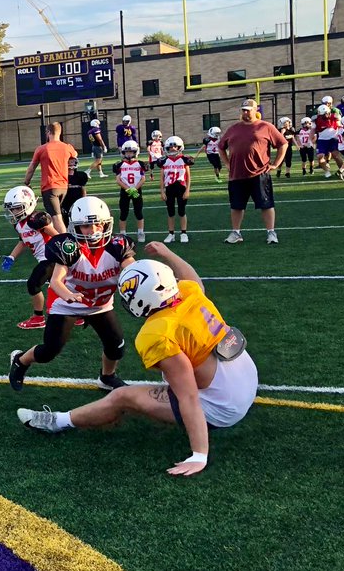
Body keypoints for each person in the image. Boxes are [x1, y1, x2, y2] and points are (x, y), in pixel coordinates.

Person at [16, 243, 258, 478]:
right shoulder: (189, 293)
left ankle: (57, 422)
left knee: (123, 396)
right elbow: (194, 281)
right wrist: (168, 253)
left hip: (223, 405)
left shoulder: (158, 333)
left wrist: (199, 455)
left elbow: (188, 395)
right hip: (246, 380)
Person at [9, 196, 135, 392]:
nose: (93, 231)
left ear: (106, 224)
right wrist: (68, 294)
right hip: (68, 304)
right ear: (76, 227)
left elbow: (133, 273)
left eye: (97, 225)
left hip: (100, 305)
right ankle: (20, 361)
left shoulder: (118, 246)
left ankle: (107, 377)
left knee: (115, 346)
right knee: (49, 351)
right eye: (86, 226)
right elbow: (57, 281)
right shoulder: (69, 246)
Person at [220, 99, 287, 245]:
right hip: (237, 174)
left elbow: (283, 144)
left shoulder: (266, 126)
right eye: (243, 110)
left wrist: (276, 164)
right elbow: (221, 146)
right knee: (236, 206)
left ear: (256, 110)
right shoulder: (233, 128)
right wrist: (226, 163)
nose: (245, 112)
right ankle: (236, 233)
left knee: (266, 204)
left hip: (260, 173)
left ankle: (271, 232)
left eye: (248, 110)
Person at [1, 186, 60, 330]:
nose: (12, 212)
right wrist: (12, 257)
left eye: (16, 208)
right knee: (60, 286)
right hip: (44, 259)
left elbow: (58, 236)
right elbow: (22, 241)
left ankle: (38, 317)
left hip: (51, 257)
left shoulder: (37, 219)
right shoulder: (19, 224)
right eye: (11, 209)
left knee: (33, 284)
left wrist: (64, 253)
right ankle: (78, 315)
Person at [23, 123, 77, 233]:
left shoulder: (42, 148)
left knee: (56, 217)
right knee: (55, 215)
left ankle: (65, 243)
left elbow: (31, 168)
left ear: (48, 132)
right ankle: (58, 237)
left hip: (50, 187)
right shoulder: (67, 147)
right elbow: (75, 157)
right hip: (63, 187)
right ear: (60, 132)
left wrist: (26, 182)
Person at [156, 136, 194, 243]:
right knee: (170, 212)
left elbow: (188, 176)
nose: (172, 149)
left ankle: (183, 233)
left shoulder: (184, 160)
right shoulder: (164, 161)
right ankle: (171, 233)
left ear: (179, 147)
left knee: (182, 211)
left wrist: (187, 190)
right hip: (169, 188)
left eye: (175, 147)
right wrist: (162, 191)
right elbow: (162, 177)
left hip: (181, 187)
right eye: (170, 147)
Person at [112, 140, 147, 242]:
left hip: (136, 190)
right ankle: (123, 233)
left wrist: (134, 189)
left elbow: (143, 179)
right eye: (127, 152)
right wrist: (128, 189)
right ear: (123, 153)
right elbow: (118, 180)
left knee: (138, 211)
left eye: (131, 152)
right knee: (123, 212)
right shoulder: (119, 165)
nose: (129, 154)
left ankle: (140, 232)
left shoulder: (140, 164)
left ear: (135, 152)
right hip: (125, 190)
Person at [313, 103, 344, 178]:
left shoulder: (335, 116)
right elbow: (312, 130)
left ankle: (342, 170)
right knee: (320, 157)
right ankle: (327, 171)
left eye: (325, 114)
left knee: (336, 156)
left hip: (333, 139)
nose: (324, 116)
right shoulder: (316, 119)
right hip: (322, 140)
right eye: (322, 114)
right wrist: (312, 141)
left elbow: (340, 123)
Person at [60, 156, 88, 226]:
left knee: (78, 218)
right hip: (66, 200)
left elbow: (83, 189)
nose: (72, 163)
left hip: (77, 199)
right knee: (66, 219)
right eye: (70, 161)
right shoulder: (61, 176)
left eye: (73, 161)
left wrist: (83, 201)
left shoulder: (81, 175)